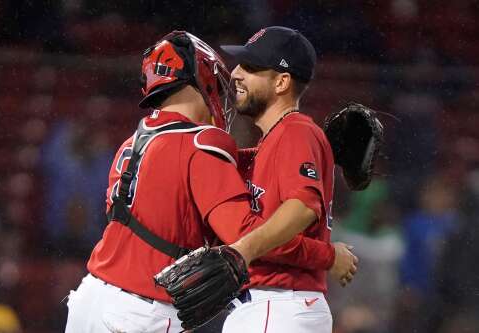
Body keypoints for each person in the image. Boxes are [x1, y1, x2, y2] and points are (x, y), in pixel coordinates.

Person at [64, 30, 356, 333]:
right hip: (140, 312)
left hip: (91, 298)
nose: (235, 77)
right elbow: (240, 237)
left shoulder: (134, 143)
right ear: (204, 81)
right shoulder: (204, 143)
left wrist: (319, 155)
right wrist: (328, 254)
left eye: (250, 67)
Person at [217, 26, 357, 332]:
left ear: (281, 81)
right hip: (276, 306)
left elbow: (303, 208)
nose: (237, 73)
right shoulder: (275, 140)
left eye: (251, 67)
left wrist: (244, 248)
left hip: (278, 304)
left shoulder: (296, 131)